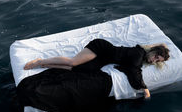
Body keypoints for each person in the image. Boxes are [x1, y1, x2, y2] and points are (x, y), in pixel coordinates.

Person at [23, 38, 170, 99]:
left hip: (102, 59)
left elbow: (130, 68)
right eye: (156, 57)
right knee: (74, 63)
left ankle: (46, 65)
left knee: (81, 70)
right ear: (153, 52)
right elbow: (134, 72)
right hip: (100, 48)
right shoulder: (139, 54)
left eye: (157, 61)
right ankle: (39, 61)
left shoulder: (141, 56)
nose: (154, 61)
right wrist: (144, 89)